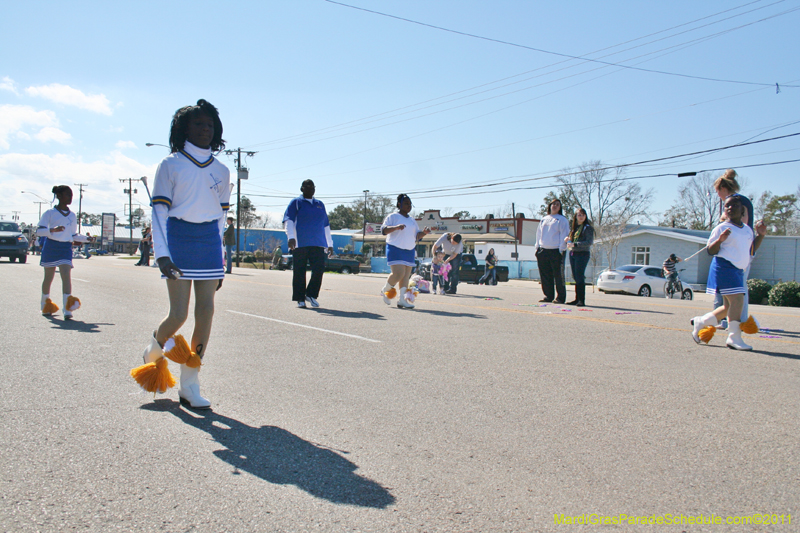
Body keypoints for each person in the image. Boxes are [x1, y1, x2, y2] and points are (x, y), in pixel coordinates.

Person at [130, 99, 231, 409]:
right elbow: (159, 212)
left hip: (209, 243)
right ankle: (155, 347)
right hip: (178, 239)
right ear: (184, 128)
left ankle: (190, 382)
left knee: (207, 312)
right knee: (179, 314)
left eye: (209, 125)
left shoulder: (222, 170)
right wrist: (161, 253)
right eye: (198, 124)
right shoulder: (170, 164)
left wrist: (221, 260)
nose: (204, 129)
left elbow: (221, 219)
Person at [692, 195, 766, 350]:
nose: (730, 208)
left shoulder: (747, 230)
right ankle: (734, 337)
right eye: (727, 206)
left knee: (727, 308)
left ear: (742, 210)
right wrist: (720, 239)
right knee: (738, 301)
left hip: (738, 271)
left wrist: (760, 235)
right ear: (725, 211)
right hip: (724, 268)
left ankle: (701, 321)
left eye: (734, 205)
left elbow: (751, 250)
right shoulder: (721, 228)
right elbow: (710, 251)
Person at [712, 169, 758, 331]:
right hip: (737, 251)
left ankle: (737, 320)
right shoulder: (738, 201)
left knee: (737, 288)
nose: (718, 195)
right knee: (733, 288)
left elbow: (741, 225)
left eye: (717, 191)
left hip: (737, 252)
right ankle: (730, 320)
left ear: (722, 188)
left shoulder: (736, 202)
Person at [36, 185, 89, 319]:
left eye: (71, 195)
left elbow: (73, 235)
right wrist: (52, 230)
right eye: (67, 195)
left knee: (66, 275)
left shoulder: (72, 215)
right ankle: (45, 305)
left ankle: (68, 308)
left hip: (65, 248)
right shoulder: (49, 213)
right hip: (51, 247)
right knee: (49, 277)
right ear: (59, 196)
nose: (70, 198)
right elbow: (39, 231)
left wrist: (87, 239)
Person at [283, 179, 333, 308]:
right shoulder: (296, 203)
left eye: (312, 187)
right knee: (299, 271)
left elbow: (326, 225)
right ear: (302, 189)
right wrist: (291, 237)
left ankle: (311, 295)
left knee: (319, 269)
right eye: (307, 187)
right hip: (300, 243)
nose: (310, 189)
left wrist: (330, 244)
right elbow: (288, 220)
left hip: (318, 243)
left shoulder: (320, 204)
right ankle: (300, 298)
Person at [380, 194, 431, 308]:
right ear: (399, 204)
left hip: (409, 250)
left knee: (405, 276)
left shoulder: (412, 220)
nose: (409, 206)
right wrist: (396, 227)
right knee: (398, 273)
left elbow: (417, 236)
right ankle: (385, 290)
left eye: (410, 204)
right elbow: (383, 230)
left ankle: (402, 300)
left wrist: (424, 232)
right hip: (395, 248)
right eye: (406, 203)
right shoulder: (392, 216)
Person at [535, 198, 570, 304]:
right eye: (553, 204)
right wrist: (537, 248)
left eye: (557, 204)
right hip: (543, 250)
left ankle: (560, 297)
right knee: (545, 275)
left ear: (560, 208)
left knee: (558, 275)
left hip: (556, 251)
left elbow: (564, 234)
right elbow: (538, 234)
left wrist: (561, 249)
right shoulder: (544, 219)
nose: (555, 206)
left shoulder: (562, 219)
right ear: (549, 206)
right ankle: (548, 296)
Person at [565, 209, 594, 306]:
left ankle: (581, 300)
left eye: (583, 215)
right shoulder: (574, 228)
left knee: (580, 276)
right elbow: (571, 240)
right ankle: (576, 299)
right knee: (575, 277)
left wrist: (575, 244)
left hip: (582, 254)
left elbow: (589, 242)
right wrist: (568, 239)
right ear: (575, 217)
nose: (581, 217)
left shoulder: (587, 228)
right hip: (573, 253)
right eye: (579, 215)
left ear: (586, 216)